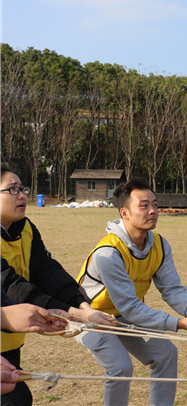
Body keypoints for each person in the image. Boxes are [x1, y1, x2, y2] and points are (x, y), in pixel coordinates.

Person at [75, 178, 187, 406]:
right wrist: (178, 323)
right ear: (125, 213)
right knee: (120, 367)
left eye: (155, 205)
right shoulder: (108, 253)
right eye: (144, 205)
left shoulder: (160, 244)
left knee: (166, 353)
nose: (153, 211)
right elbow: (130, 306)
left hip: (125, 315)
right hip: (89, 316)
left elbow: (171, 289)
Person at [1, 162, 115, 405]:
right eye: (12, 189)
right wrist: (74, 313)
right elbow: (10, 286)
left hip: (9, 341)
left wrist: (83, 307)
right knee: (17, 398)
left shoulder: (26, 228)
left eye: (22, 188)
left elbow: (47, 272)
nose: (22, 195)